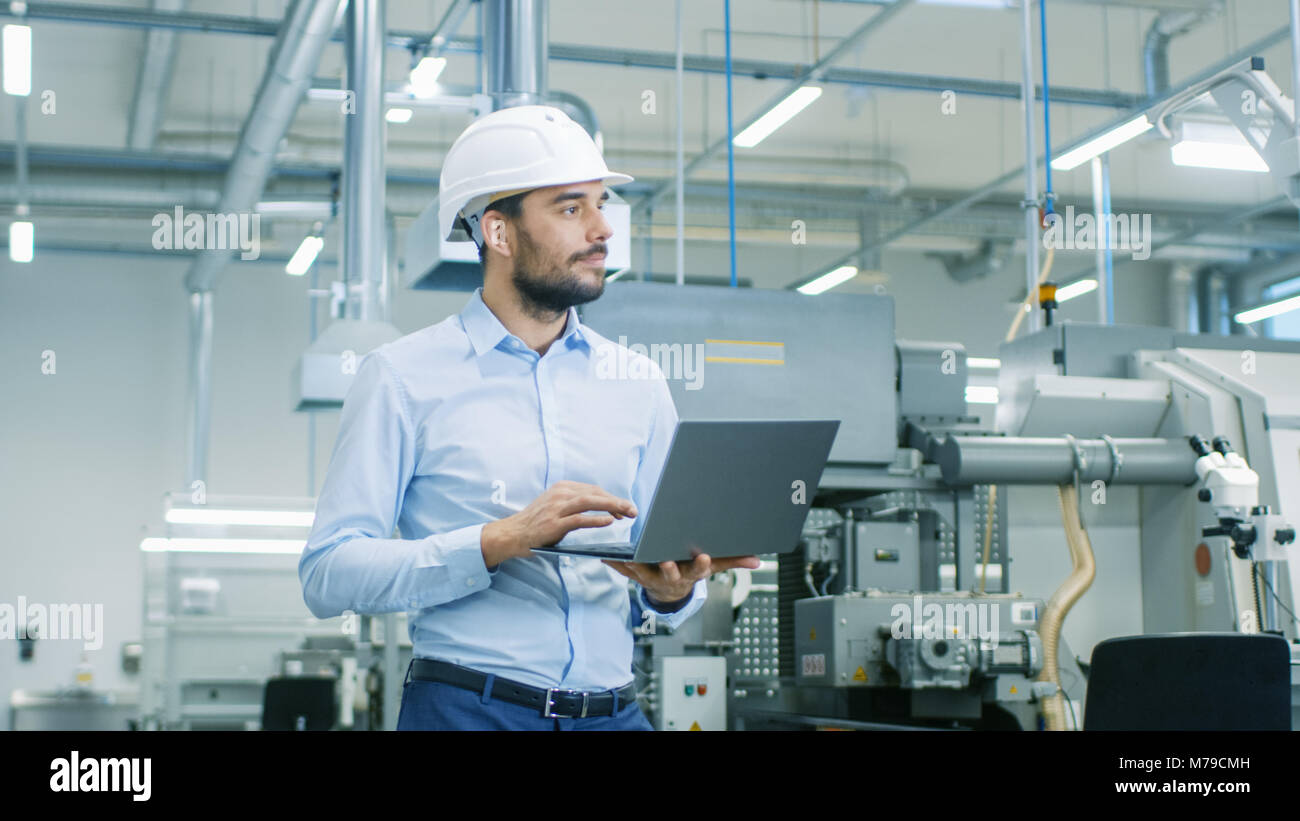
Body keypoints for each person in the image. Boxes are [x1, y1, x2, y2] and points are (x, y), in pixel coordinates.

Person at [299, 105, 759, 730]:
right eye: (571, 208)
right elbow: (328, 574)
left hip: (614, 714)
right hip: (468, 711)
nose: (602, 230)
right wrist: (498, 541)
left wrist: (672, 589)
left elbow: (668, 568)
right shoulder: (402, 378)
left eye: (601, 204)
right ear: (498, 233)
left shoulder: (639, 383)